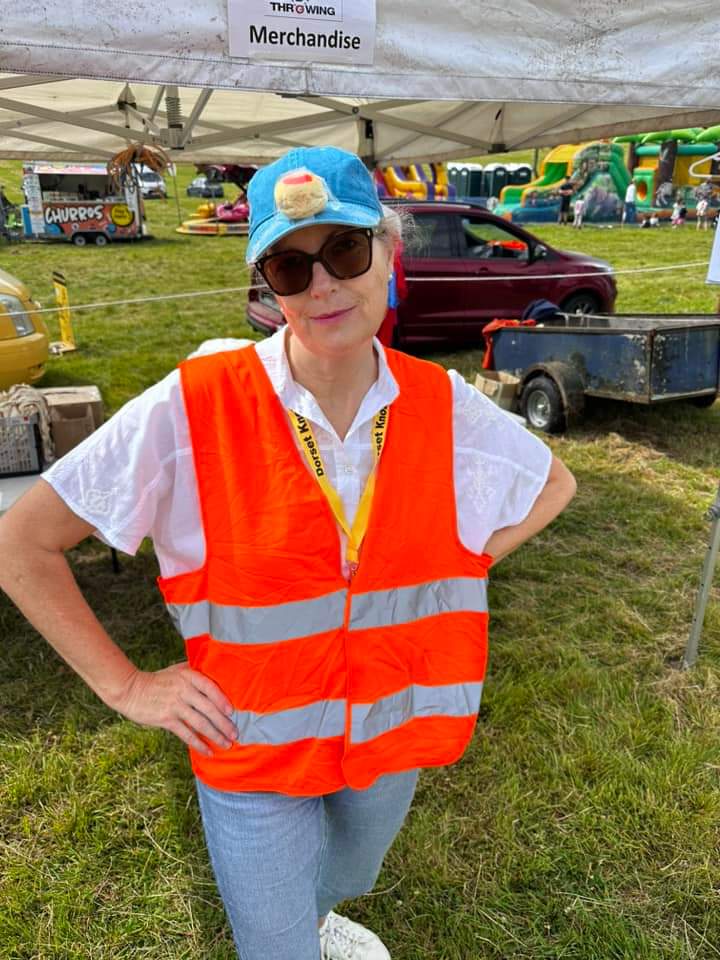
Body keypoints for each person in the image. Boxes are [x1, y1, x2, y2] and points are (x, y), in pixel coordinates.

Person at [0, 145, 576, 960]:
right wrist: (127, 685)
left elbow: (552, 485)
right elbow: (20, 544)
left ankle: (320, 910)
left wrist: (453, 560)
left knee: (349, 869)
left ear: (388, 250)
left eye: (344, 250)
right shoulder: (193, 406)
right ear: (266, 288)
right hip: (249, 746)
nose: (323, 285)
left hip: (391, 727)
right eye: (289, 267)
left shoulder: (442, 404)